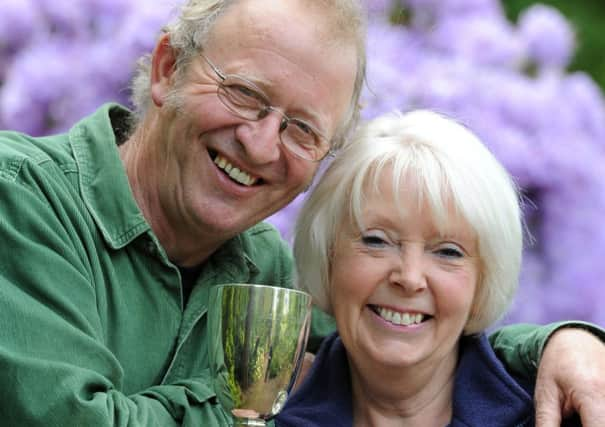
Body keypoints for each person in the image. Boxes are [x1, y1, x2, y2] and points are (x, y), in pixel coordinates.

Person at [0, 0, 603, 425]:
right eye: (244, 94)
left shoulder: (260, 264)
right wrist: (244, 403)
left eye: (301, 130)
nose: (261, 145)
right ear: (166, 70)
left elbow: (390, 337)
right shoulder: (22, 196)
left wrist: (558, 345)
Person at [276, 110, 589, 426]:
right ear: (328, 255)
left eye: (449, 252)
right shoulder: (257, 408)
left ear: (483, 281)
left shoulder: (563, 415)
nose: (409, 278)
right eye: (376, 241)